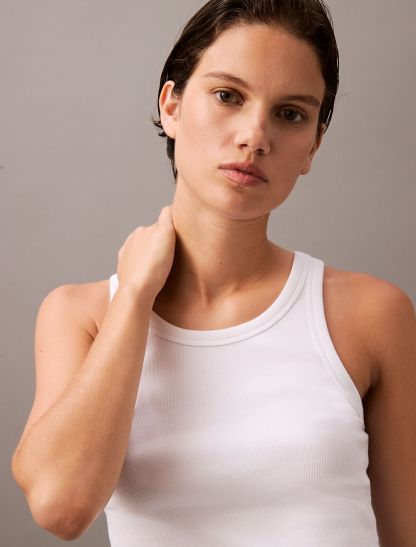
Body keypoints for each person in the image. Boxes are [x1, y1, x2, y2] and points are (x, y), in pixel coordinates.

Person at [11, 0, 416, 545]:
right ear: (172, 106)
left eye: (290, 114)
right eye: (228, 96)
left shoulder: (371, 315)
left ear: (312, 147)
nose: (255, 136)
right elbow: (61, 507)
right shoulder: (81, 316)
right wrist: (134, 296)